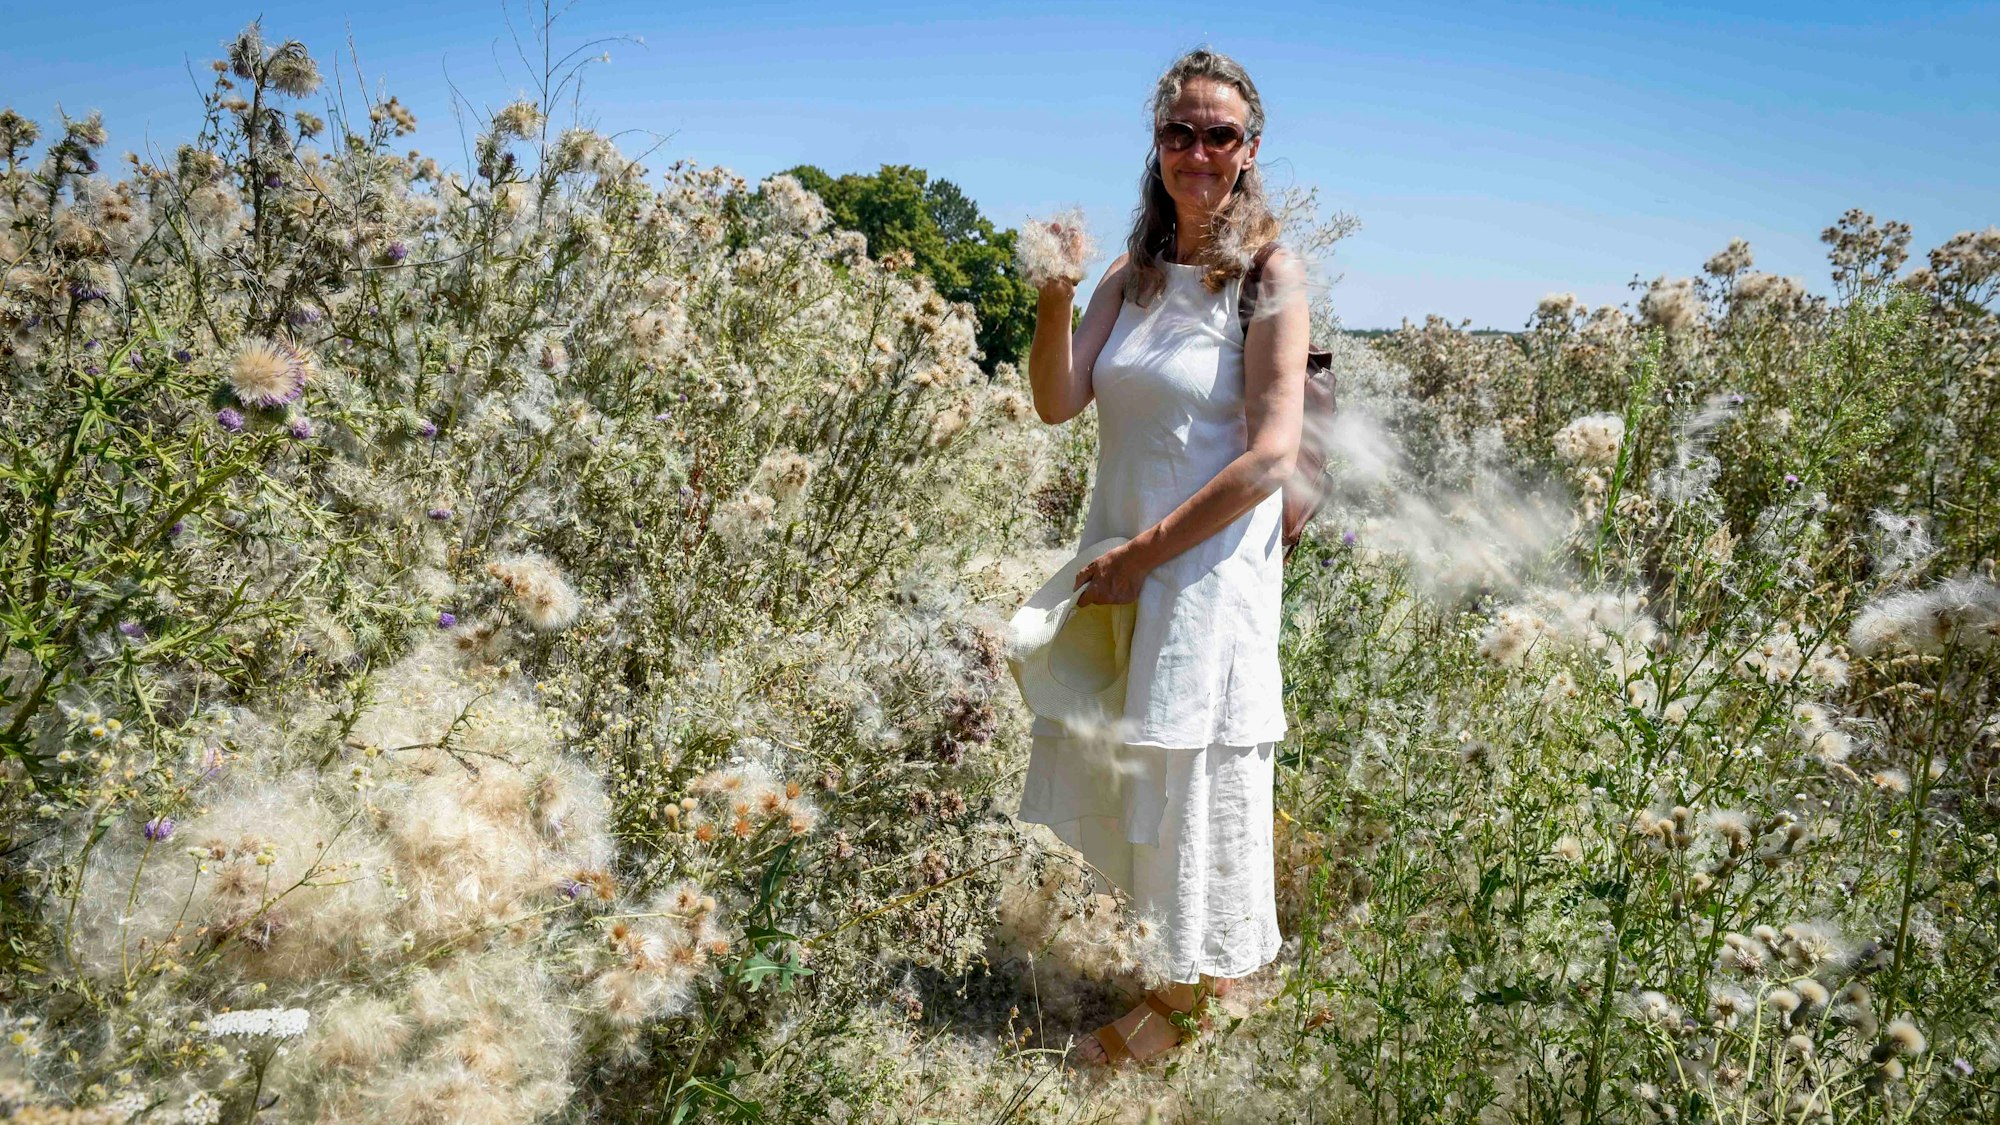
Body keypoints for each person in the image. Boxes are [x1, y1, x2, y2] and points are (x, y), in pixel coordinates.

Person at [1015, 46, 1310, 1068]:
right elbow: (1058, 402)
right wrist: (1053, 294)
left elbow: (1271, 451)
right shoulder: (1130, 278)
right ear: (1155, 146)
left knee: (1194, 776)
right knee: (1138, 776)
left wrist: (1146, 554)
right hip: (1125, 568)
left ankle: (1183, 1013)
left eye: (1215, 134)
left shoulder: (1269, 274)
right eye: (1176, 131)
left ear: (1247, 151)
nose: (1195, 151)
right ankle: (1179, 982)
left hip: (1201, 576)